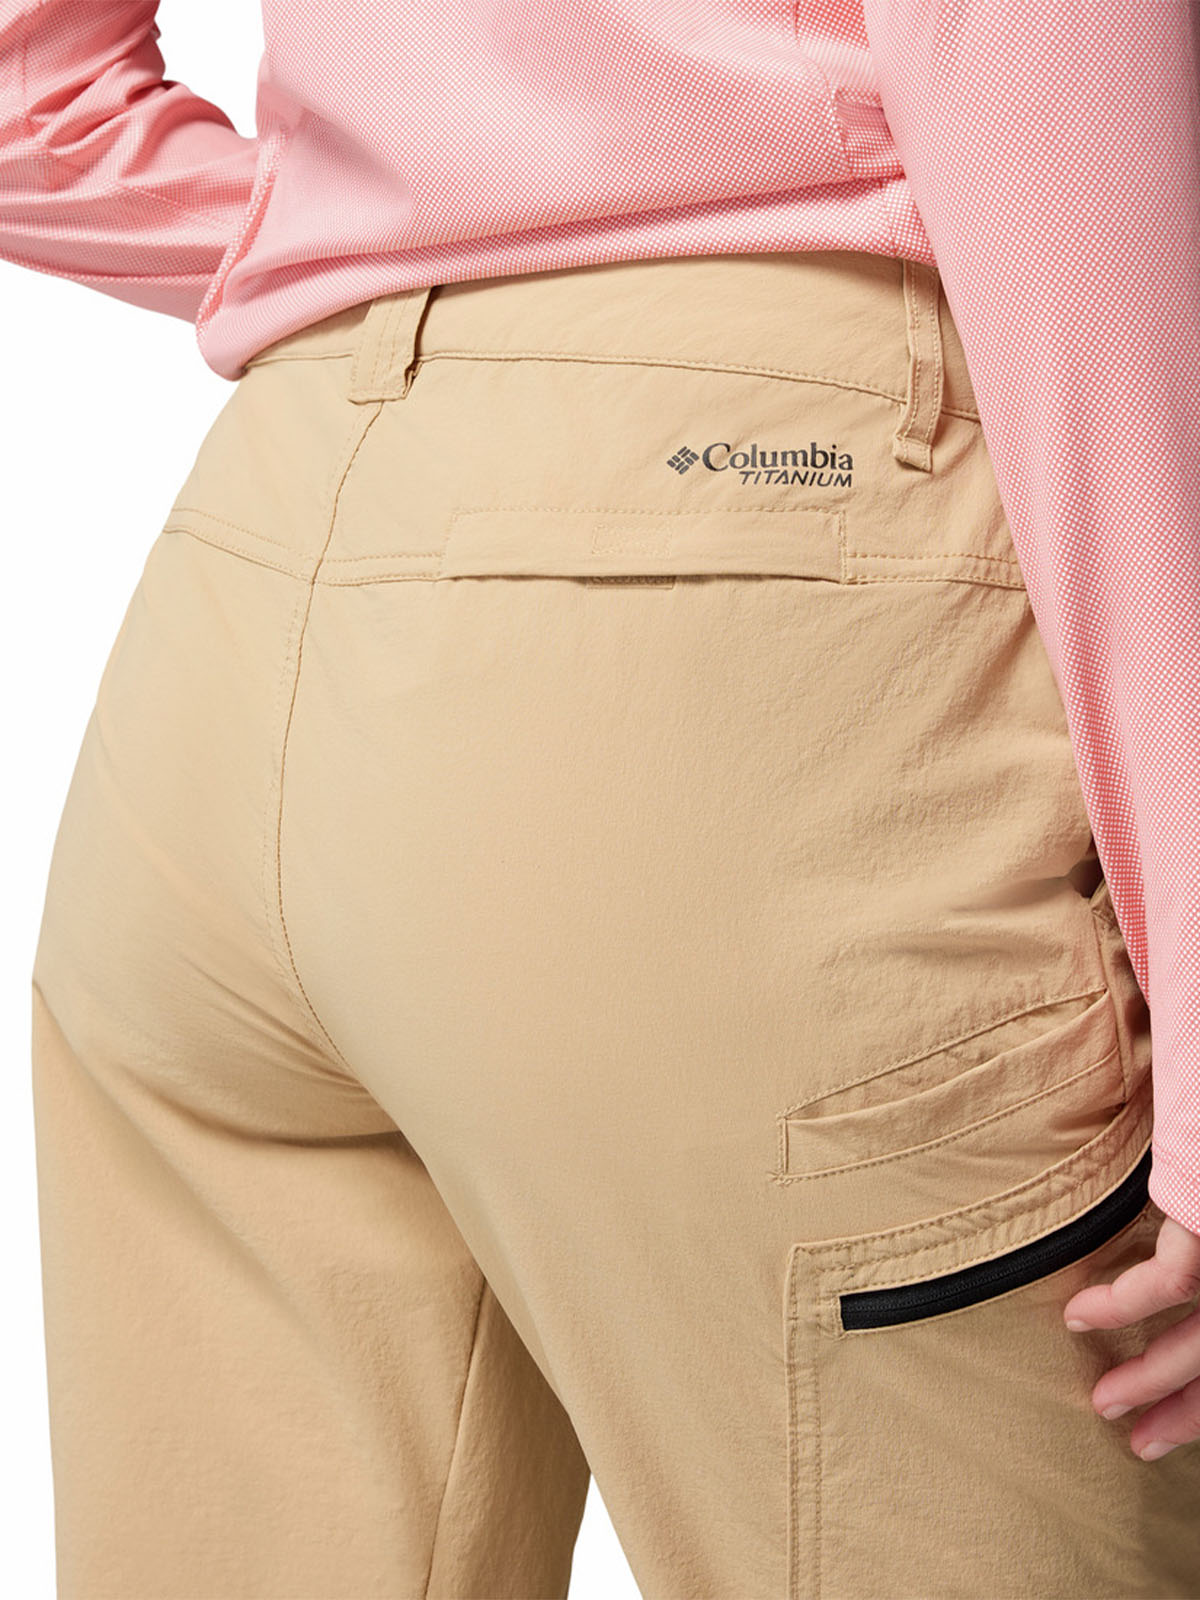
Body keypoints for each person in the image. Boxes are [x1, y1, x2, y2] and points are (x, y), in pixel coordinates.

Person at [7, 1, 1200, 1595]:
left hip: (256, 590)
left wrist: (385, 229)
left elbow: (22, 98)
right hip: (757, 585)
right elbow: (1062, 184)